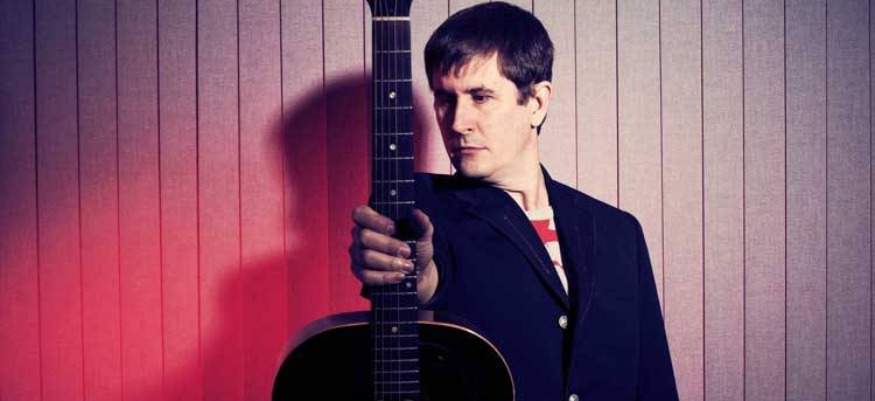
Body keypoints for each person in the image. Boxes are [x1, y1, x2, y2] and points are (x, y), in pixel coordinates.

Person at [349, 2, 679, 400]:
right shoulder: (420, 203)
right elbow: (427, 276)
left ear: (536, 103)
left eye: (480, 97)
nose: (457, 122)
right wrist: (412, 274)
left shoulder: (618, 232)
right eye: (445, 98)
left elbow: (654, 383)